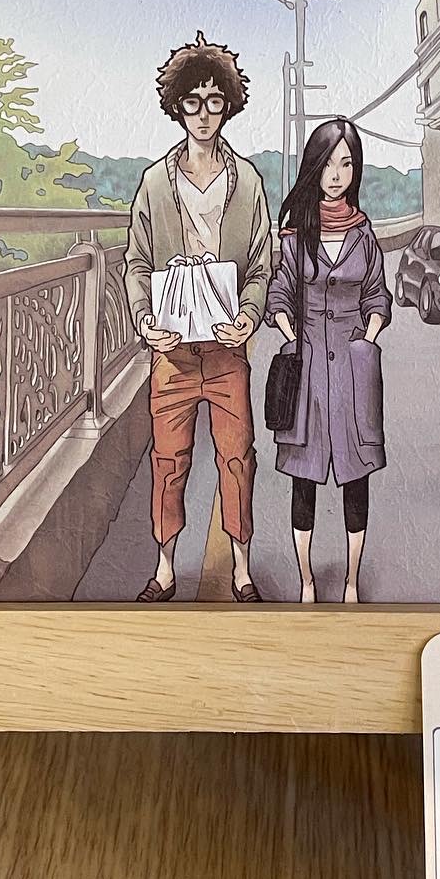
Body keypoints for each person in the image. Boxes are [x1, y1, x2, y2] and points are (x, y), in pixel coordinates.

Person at [123, 31, 273, 602]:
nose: (204, 114)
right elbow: (136, 263)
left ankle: (241, 567)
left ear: (228, 105)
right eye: (193, 102)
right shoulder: (155, 184)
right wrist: (145, 321)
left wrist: (250, 315)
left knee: (237, 458)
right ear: (177, 107)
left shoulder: (248, 181)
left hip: (227, 348)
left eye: (215, 101)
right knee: (169, 459)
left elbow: (261, 264)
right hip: (172, 352)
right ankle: (165, 567)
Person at [265, 117, 391, 603]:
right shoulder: (295, 237)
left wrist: (367, 338)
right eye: (328, 164)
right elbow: (279, 293)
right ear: (313, 168)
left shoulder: (364, 234)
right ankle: (306, 582)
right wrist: (289, 332)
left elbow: (377, 295)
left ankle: (352, 583)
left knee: (357, 480)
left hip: (355, 372)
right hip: (308, 371)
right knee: (305, 480)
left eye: (347, 164)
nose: (337, 175)